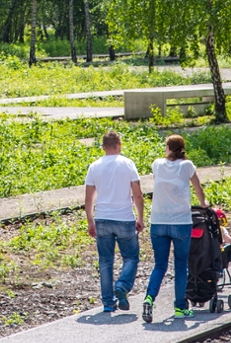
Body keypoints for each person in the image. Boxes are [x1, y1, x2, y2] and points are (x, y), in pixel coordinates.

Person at [143, 133, 205, 322]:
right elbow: (198, 188)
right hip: (180, 223)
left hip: (158, 222)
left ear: (168, 149)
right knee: (180, 265)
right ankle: (180, 307)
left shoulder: (157, 164)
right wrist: (204, 204)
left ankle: (149, 299)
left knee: (160, 265)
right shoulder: (187, 166)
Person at [84, 130, 144, 313]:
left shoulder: (94, 166)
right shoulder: (127, 164)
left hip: (102, 219)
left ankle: (108, 304)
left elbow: (88, 198)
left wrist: (90, 221)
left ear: (103, 147)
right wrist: (140, 217)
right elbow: (138, 194)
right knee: (131, 257)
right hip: (124, 218)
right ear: (119, 145)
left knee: (105, 261)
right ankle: (122, 285)